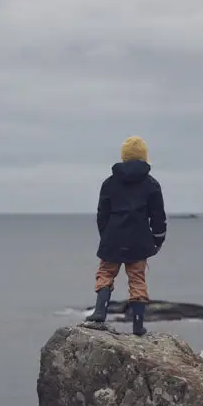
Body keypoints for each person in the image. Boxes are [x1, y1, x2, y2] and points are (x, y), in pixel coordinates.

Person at [86, 136, 167, 335]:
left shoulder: (109, 183)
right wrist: (157, 240)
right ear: (144, 158)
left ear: (123, 157)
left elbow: (102, 214)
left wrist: (105, 235)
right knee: (137, 279)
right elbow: (158, 217)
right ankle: (138, 325)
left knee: (105, 274)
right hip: (140, 240)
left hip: (112, 237)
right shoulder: (151, 184)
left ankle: (99, 313)